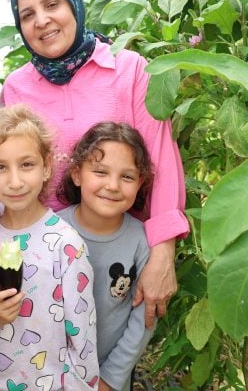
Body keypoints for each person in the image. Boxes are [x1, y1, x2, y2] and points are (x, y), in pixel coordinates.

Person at [1, 0, 190, 326]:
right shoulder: (16, 87)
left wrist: (163, 251)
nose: (41, 20)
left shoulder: (129, 68)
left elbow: (160, 159)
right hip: (44, 257)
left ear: (74, 5)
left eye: (52, 4)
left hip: (119, 249)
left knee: (112, 356)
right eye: (27, 15)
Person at [0, 104, 99, 390]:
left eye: (27, 164)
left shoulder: (66, 245)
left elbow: (83, 337)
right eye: (0, 167)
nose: (15, 181)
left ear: (46, 166)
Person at [57, 122, 155, 391]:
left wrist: (110, 379)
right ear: (77, 174)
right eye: (100, 172)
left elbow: (142, 322)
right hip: (51, 375)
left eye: (127, 177)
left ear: (140, 183)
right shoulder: (52, 231)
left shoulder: (141, 241)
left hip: (110, 379)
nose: (112, 186)